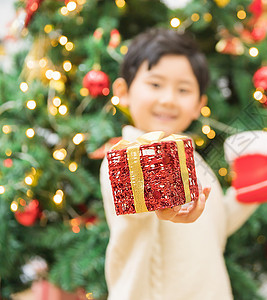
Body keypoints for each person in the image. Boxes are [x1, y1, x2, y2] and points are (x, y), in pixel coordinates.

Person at [100, 28, 258, 300]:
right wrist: (164, 205)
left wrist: (250, 192)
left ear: (199, 104)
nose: (169, 99)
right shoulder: (122, 157)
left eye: (183, 89)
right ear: (123, 92)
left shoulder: (192, 158)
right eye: (155, 84)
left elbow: (212, 225)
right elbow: (136, 212)